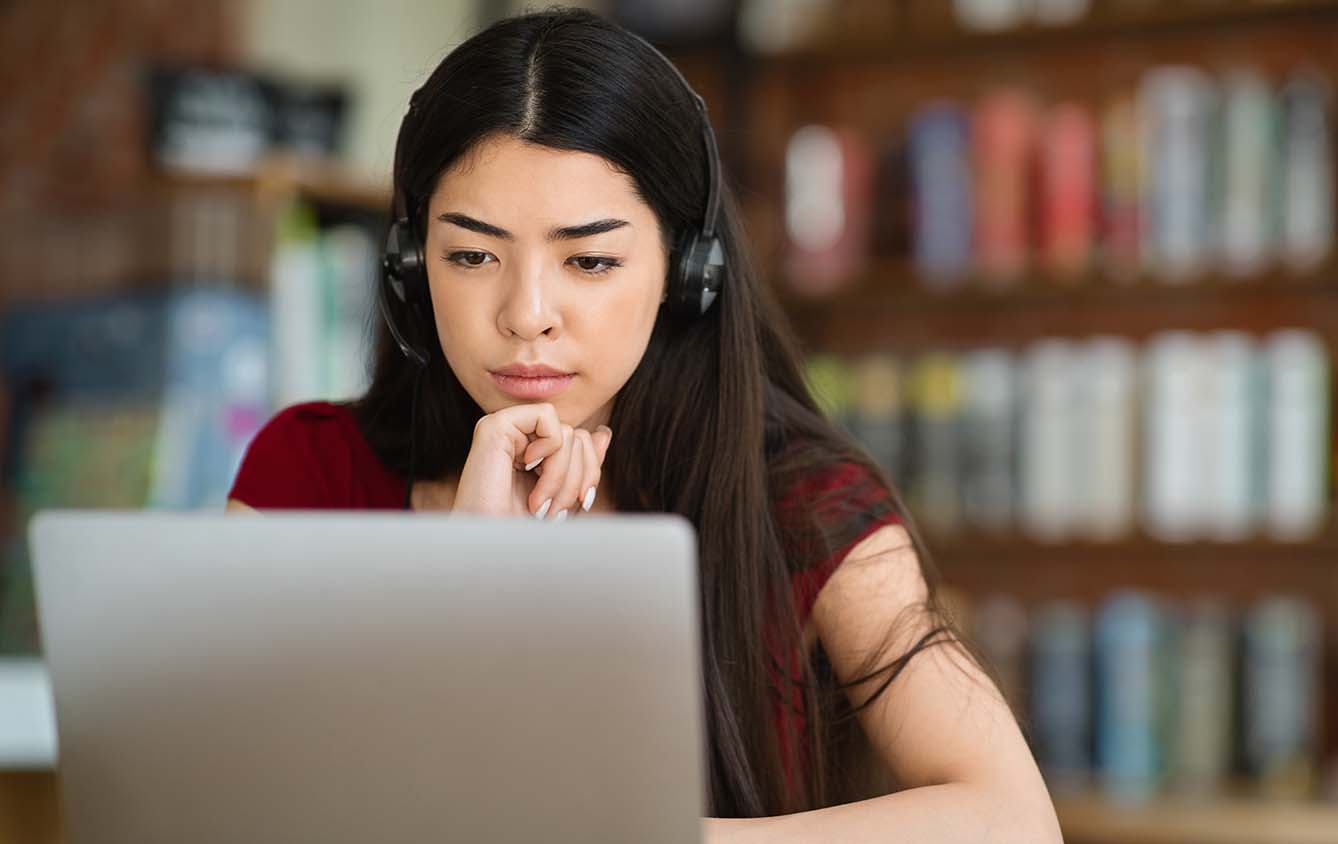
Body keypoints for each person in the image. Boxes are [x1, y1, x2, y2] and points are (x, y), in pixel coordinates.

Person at [226, 6, 1062, 841]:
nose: (527, 315)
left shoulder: (800, 498)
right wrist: (464, 582)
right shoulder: (309, 471)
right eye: (472, 255)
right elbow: (220, 797)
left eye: (589, 260)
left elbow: (1012, 820)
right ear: (412, 267)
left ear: (685, 272)